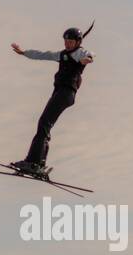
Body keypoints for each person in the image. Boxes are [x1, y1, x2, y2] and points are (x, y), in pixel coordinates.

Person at [9, 25, 95, 178]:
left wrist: (87, 59)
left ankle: (34, 163)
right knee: (44, 124)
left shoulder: (79, 53)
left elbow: (89, 55)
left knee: (44, 123)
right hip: (60, 92)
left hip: (66, 93)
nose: (67, 43)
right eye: (65, 40)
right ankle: (38, 163)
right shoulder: (62, 55)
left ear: (78, 42)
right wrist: (24, 52)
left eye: (70, 41)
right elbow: (43, 55)